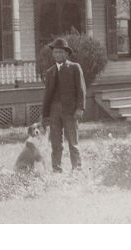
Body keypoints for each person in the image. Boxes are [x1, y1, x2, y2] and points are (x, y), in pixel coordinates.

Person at [41, 38, 86, 172]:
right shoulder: (50, 71)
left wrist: (79, 108)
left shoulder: (74, 68)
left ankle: (77, 169)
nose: (58, 55)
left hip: (70, 111)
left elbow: (81, 89)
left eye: (60, 52)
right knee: (56, 143)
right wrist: (46, 115)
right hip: (54, 111)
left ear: (66, 54)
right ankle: (57, 169)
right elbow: (47, 95)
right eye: (55, 52)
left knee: (73, 142)